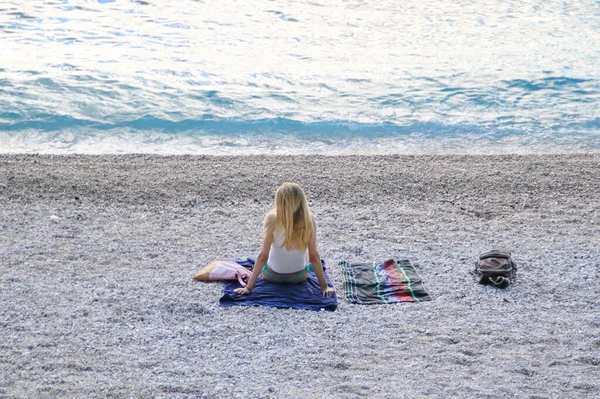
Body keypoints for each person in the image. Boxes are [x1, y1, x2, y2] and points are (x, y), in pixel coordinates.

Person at [234, 182, 335, 297]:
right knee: (306, 254)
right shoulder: (309, 219)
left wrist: (248, 288)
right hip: (299, 277)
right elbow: (314, 257)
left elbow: (263, 256)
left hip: (272, 276)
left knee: (269, 253)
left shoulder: (271, 218)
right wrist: (324, 287)